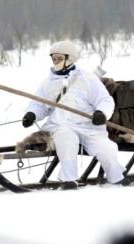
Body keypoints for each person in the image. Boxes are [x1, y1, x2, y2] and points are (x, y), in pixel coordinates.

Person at [21, 40, 126, 189]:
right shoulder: (48, 83)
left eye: (59, 58)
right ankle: (69, 180)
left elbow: (104, 100)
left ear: (69, 58)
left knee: (106, 149)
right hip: (60, 126)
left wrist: (101, 114)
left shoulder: (87, 78)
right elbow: (38, 105)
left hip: (89, 126)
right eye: (54, 58)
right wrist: (31, 114)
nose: (55, 61)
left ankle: (117, 178)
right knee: (66, 140)